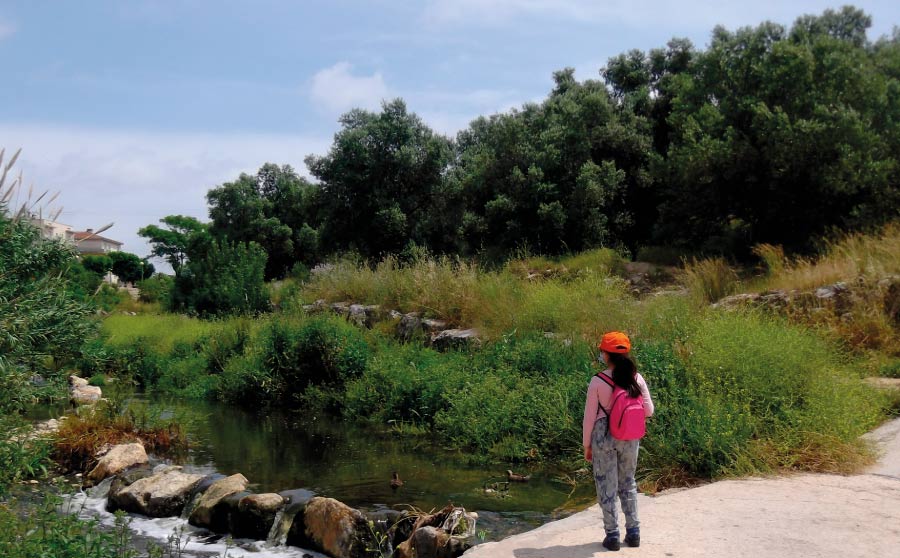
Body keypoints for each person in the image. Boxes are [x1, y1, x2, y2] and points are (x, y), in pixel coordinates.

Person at [582, 331, 654, 551]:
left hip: (603, 436)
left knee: (606, 484)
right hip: (630, 436)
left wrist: (587, 445)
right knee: (628, 483)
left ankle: (612, 536)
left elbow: (589, 418)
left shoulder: (598, 380)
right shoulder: (636, 378)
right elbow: (649, 410)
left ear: (606, 354)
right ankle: (633, 533)